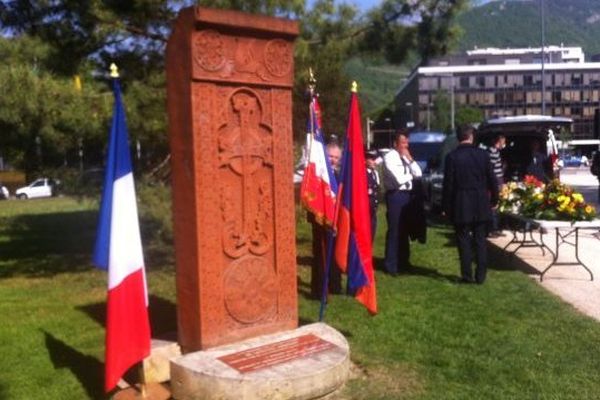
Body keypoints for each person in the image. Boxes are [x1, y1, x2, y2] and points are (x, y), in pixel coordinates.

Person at [442, 125, 499, 284]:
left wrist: (446, 207)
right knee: (480, 239)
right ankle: (480, 275)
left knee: (463, 240)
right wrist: (495, 199)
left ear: (459, 138)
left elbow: (449, 185)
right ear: (471, 137)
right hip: (481, 201)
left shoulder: (452, 157)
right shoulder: (483, 155)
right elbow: (492, 180)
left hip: (461, 203)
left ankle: (466, 275)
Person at [382, 130, 422, 275]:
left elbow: (419, 173)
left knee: (405, 230)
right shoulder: (390, 158)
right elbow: (398, 180)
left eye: (407, 143)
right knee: (395, 229)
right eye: (403, 143)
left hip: (407, 195)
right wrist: (410, 175)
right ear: (395, 144)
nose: (406, 146)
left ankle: (404, 261)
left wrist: (410, 159)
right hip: (395, 196)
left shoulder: (405, 156)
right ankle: (391, 264)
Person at [310, 139, 342, 298]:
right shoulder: (319, 173)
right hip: (321, 219)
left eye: (336, 157)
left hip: (335, 220)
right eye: (330, 156)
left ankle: (334, 284)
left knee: (334, 253)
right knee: (321, 254)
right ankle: (319, 289)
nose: (333, 160)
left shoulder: (337, 174)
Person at [487, 134, 506, 237]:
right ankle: (493, 228)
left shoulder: (496, 152)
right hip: (496, 180)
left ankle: (496, 227)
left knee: (497, 205)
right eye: (503, 141)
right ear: (499, 141)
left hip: (498, 179)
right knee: (494, 205)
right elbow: (491, 169)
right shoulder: (492, 152)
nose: (504, 144)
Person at [365, 150, 380, 243]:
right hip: (365, 209)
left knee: (372, 234)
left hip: (373, 210)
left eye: (375, 158)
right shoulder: (363, 173)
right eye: (372, 159)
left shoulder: (375, 173)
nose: (374, 161)